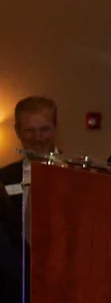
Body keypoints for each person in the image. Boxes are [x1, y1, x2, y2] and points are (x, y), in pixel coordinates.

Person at [1, 96, 59, 251]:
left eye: (44, 129)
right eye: (29, 131)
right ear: (17, 131)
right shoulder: (3, 178)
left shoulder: (77, 175)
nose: (38, 138)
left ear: (55, 127)